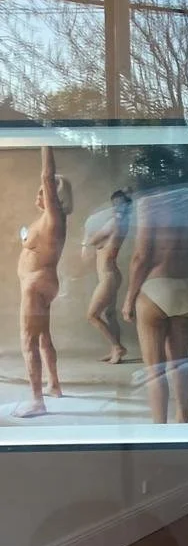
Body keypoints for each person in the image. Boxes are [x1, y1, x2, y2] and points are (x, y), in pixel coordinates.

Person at [122, 147, 188, 425]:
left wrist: (129, 298)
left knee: (155, 368)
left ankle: (161, 430)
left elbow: (141, 256)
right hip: (185, 286)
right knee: (180, 362)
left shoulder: (150, 203)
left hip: (155, 288)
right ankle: (183, 423)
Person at [14, 146, 72, 418]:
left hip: (36, 284)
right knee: (43, 337)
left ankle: (37, 401)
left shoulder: (54, 216)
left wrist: (45, 142)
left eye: (44, 191)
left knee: (28, 341)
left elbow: (47, 175)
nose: (40, 194)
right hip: (41, 283)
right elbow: (30, 243)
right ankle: (54, 385)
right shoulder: (47, 220)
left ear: (55, 195)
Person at [82, 189, 133, 363]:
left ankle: (118, 347)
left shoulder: (114, 224)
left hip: (108, 276)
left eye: (119, 204)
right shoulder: (123, 223)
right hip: (111, 274)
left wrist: (86, 234)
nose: (115, 207)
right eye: (114, 204)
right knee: (110, 314)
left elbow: (93, 240)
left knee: (92, 315)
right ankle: (114, 350)